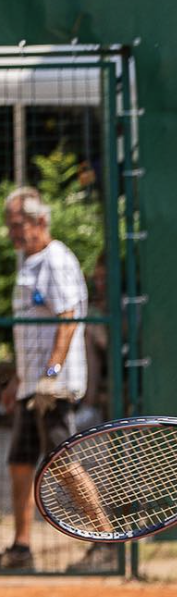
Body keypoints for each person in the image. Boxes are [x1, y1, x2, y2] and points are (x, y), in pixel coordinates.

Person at [0, 187, 105, 572]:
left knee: (62, 463)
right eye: (10, 226)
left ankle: (103, 540)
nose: (12, 233)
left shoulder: (56, 260)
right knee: (20, 463)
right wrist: (19, 382)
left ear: (40, 221)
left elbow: (69, 318)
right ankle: (21, 548)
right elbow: (31, 331)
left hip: (53, 387)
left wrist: (50, 373)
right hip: (32, 387)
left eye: (18, 225)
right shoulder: (27, 261)